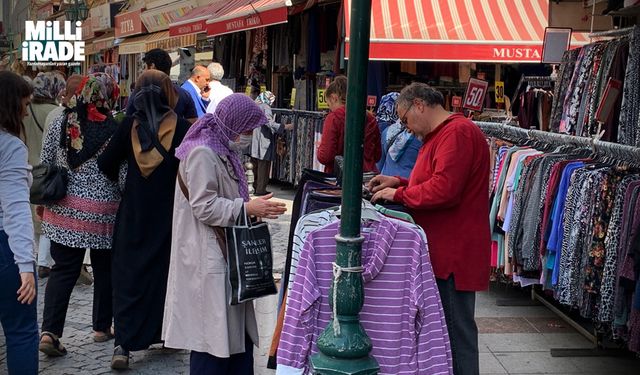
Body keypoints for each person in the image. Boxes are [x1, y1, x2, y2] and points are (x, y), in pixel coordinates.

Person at [368, 82, 491, 375]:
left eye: (404, 118)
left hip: (452, 254)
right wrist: (399, 182)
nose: (405, 127)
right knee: (447, 331)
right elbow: (436, 180)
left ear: (419, 105)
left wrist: (399, 194)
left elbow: (445, 189)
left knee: (454, 333)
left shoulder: (457, 133)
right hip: (445, 249)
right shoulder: (444, 134)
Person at [162, 94, 287, 374]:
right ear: (234, 124)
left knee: (231, 338)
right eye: (247, 129)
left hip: (224, 255)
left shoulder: (220, 149)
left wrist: (253, 206)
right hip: (209, 258)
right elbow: (204, 206)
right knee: (213, 341)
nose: (248, 136)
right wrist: (247, 206)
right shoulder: (203, 152)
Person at [97, 70, 191, 369]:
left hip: (134, 212)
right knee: (163, 273)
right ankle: (164, 333)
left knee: (128, 274)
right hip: (168, 212)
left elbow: (106, 163)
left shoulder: (129, 125)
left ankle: (123, 345)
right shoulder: (181, 128)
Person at [39, 73, 122, 356]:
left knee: (63, 270)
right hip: (104, 212)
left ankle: (50, 332)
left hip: (63, 209)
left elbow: (46, 160)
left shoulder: (62, 121)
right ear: (109, 95)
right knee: (105, 269)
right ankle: (101, 328)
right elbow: (121, 174)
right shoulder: (114, 128)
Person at [0, 71, 39, 375]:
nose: (26, 112)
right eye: (24, 105)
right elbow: (15, 207)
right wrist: (25, 264)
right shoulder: (10, 147)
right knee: (21, 331)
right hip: (5, 249)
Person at [22, 71, 66, 279]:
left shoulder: (25, 110)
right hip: (46, 172)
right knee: (47, 215)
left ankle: (36, 256)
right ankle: (44, 261)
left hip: (25, 168)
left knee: (31, 216)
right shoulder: (55, 113)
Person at [316, 75, 381, 174]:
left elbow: (326, 156)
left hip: (341, 177)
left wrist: (320, 148)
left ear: (334, 98)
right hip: (368, 175)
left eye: (329, 105)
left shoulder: (334, 118)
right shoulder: (370, 118)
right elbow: (377, 155)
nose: (330, 109)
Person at [126, 48, 198, 123]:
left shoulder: (140, 93)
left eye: (145, 67)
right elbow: (193, 123)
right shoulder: (184, 95)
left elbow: (129, 120)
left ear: (152, 66)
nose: (144, 71)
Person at [251, 91, 293, 196]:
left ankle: (256, 187)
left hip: (255, 138)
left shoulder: (256, 105)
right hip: (263, 139)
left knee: (256, 165)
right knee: (263, 166)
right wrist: (284, 127)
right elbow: (269, 122)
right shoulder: (266, 107)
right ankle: (261, 190)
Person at [376, 92, 422, 178]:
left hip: (385, 182)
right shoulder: (420, 134)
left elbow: (379, 163)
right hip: (409, 183)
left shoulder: (387, 132)